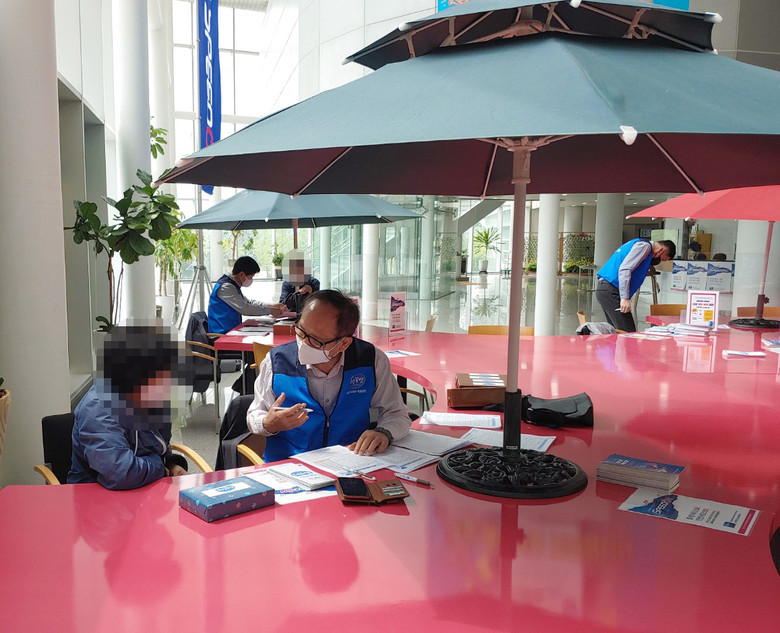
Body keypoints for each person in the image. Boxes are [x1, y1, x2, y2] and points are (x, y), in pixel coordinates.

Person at [246, 289, 411, 462]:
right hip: (288, 464)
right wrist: (267, 423)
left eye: (315, 340)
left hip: (350, 462)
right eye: (301, 331)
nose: (303, 343)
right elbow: (254, 414)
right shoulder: (277, 361)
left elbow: (396, 413)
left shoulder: (371, 360)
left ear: (344, 343)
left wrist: (384, 432)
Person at [68, 323, 189, 490]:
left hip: (143, 489)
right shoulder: (98, 407)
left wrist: (172, 464)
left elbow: (158, 446)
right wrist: (160, 466)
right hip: (96, 496)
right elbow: (120, 473)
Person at [595, 239, 676, 332]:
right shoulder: (645, 246)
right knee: (628, 333)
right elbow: (625, 269)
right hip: (612, 289)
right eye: (662, 259)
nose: (658, 260)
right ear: (661, 250)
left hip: (606, 288)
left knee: (617, 331)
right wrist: (624, 298)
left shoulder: (637, 243)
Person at [208, 256, 284, 334]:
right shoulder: (226, 287)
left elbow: (248, 302)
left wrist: (270, 305)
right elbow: (245, 308)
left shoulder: (232, 285)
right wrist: (270, 310)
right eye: (251, 277)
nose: (251, 280)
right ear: (241, 274)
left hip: (231, 330)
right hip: (221, 333)